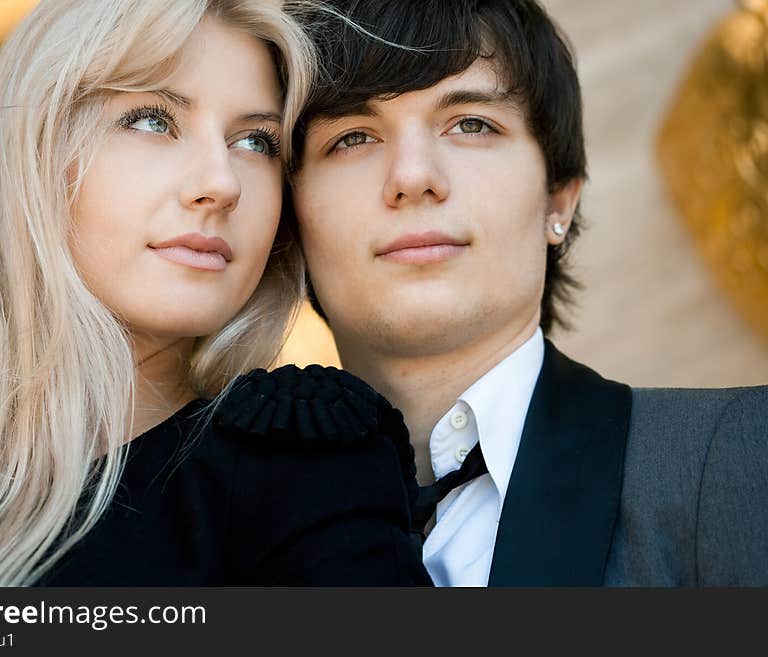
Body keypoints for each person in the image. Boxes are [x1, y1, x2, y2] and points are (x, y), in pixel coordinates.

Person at [0, 0, 430, 587]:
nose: (221, 184)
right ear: (34, 155)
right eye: (153, 120)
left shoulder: (299, 462)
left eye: (255, 143)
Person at [288, 0, 768, 586]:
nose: (412, 177)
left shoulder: (744, 455)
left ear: (558, 201)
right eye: (353, 137)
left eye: (471, 124)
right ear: (289, 222)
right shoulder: (208, 522)